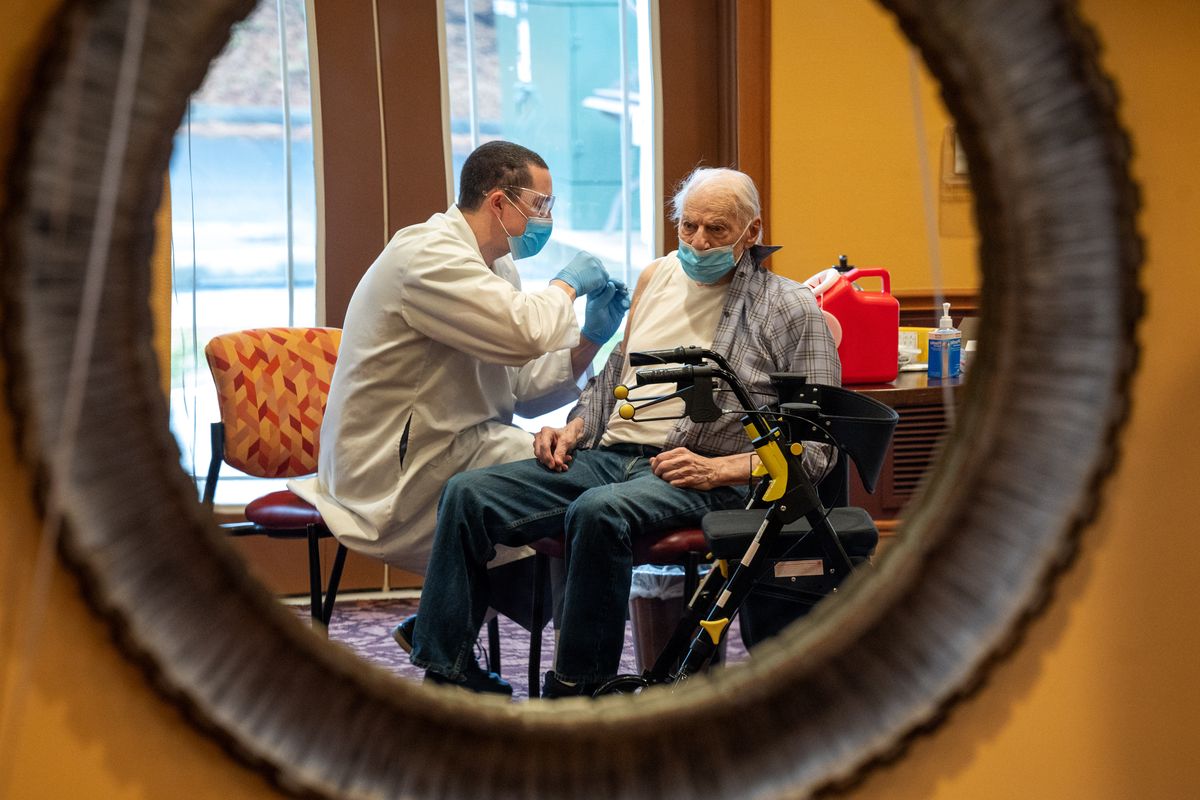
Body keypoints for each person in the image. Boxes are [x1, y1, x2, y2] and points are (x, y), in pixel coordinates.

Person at [408, 167, 841, 695]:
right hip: (611, 456)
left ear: (751, 233)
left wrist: (718, 469)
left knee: (599, 511)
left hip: (695, 472)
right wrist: (572, 426)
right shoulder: (655, 277)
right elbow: (615, 378)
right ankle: (448, 674)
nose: (698, 242)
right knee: (468, 493)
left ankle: (579, 691)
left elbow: (817, 449)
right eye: (688, 227)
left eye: (717, 231)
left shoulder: (792, 309)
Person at [289, 141, 630, 579]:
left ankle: (441, 626)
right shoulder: (427, 256)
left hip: (459, 446)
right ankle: (450, 633)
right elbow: (527, 331)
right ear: (498, 202)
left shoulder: (495, 265)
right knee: (565, 489)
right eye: (541, 204)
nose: (548, 218)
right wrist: (567, 284)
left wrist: (590, 337)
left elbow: (521, 388)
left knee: (567, 484)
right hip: (394, 471)